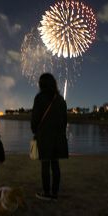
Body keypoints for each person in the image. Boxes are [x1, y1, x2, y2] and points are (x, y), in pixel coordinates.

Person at [31, 73, 68, 201]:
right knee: (55, 164)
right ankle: (55, 193)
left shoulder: (40, 98)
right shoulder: (60, 99)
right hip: (58, 138)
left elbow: (35, 118)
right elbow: (64, 121)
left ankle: (46, 193)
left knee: (45, 165)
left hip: (45, 137)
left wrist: (35, 131)